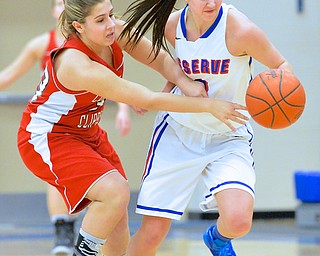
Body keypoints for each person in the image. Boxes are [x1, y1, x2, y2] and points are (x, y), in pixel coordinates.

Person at [16, 0, 249, 255]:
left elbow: (158, 58)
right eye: (100, 20)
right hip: (47, 136)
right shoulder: (75, 63)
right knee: (115, 192)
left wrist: (183, 81)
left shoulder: (116, 31)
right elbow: (147, 99)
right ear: (78, 26)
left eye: (111, 14)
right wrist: (210, 106)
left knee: (116, 221)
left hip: (87, 133)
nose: (110, 25)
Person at [120, 0, 294, 255]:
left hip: (228, 133)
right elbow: (180, 66)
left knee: (238, 220)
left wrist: (279, 97)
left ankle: (218, 239)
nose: (211, 2)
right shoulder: (171, 26)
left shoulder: (240, 31)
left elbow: (282, 67)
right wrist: (166, 91)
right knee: (152, 233)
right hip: (179, 131)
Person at [0, 0, 130, 255]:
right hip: (53, 126)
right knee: (61, 176)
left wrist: (124, 108)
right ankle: (63, 231)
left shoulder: (102, 40)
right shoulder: (43, 44)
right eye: (58, 3)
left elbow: (116, 84)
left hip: (84, 126)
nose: (63, 7)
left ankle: (83, 236)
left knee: (116, 203)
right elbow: (7, 76)